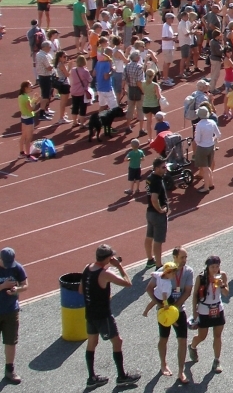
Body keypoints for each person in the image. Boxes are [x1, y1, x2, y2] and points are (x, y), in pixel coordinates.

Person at [80, 244, 141, 388]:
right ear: (107, 258)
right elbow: (128, 283)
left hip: (90, 314)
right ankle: (121, 376)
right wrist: (119, 266)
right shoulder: (105, 274)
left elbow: (81, 290)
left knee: (92, 343)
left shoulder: (87, 268)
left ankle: (91, 378)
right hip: (103, 316)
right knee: (117, 342)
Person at [145, 247, 192, 384]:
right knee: (163, 338)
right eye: (182, 257)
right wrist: (160, 305)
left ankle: (180, 371)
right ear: (174, 257)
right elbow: (149, 288)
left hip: (178, 309)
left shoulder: (188, 272)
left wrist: (174, 308)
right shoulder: (162, 271)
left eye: (185, 257)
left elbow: (187, 292)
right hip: (164, 311)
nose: (184, 260)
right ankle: (163, 364)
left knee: (182, 340)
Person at [188, 255, 229, 375]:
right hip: (204, 309)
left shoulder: (222, 275)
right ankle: (192, 346)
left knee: (217, 335)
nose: (215, 269)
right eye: (212, 267)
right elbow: (195, 294)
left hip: (218, 308)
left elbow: (226, 293)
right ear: (208, 266)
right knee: (202, 336)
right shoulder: (201, 277)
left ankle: (217, 360)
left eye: (217, 266)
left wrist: (222, 285)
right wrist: (194, 311)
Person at [0, 247, 27, 385]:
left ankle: (9, 370)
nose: (7, 265)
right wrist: (2, 286)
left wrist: (17, 289)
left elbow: (25, 285)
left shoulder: (17, 268)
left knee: (11, 341)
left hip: (11, 311)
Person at [145, 158, 171, 268]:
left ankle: (150, 259)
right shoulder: (157, 181)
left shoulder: (150, 177)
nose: (165, 169)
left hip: (149, 212)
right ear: (156, 169)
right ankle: (158, 264)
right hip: (157, 215)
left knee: (149, 236)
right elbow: (154, 198)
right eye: (163, 167)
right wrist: (160, 210)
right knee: (158, 240)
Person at [193, 107, 220, 193]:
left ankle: (206, 187)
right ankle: (211, 183)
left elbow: (197, 139)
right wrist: (212, 138)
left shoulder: (199, 125)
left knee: (204, 168)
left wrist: (197, 137)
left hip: (202, 147)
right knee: (208, 167)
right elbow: (218, 134)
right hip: (211, 146)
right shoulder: (212, 122)